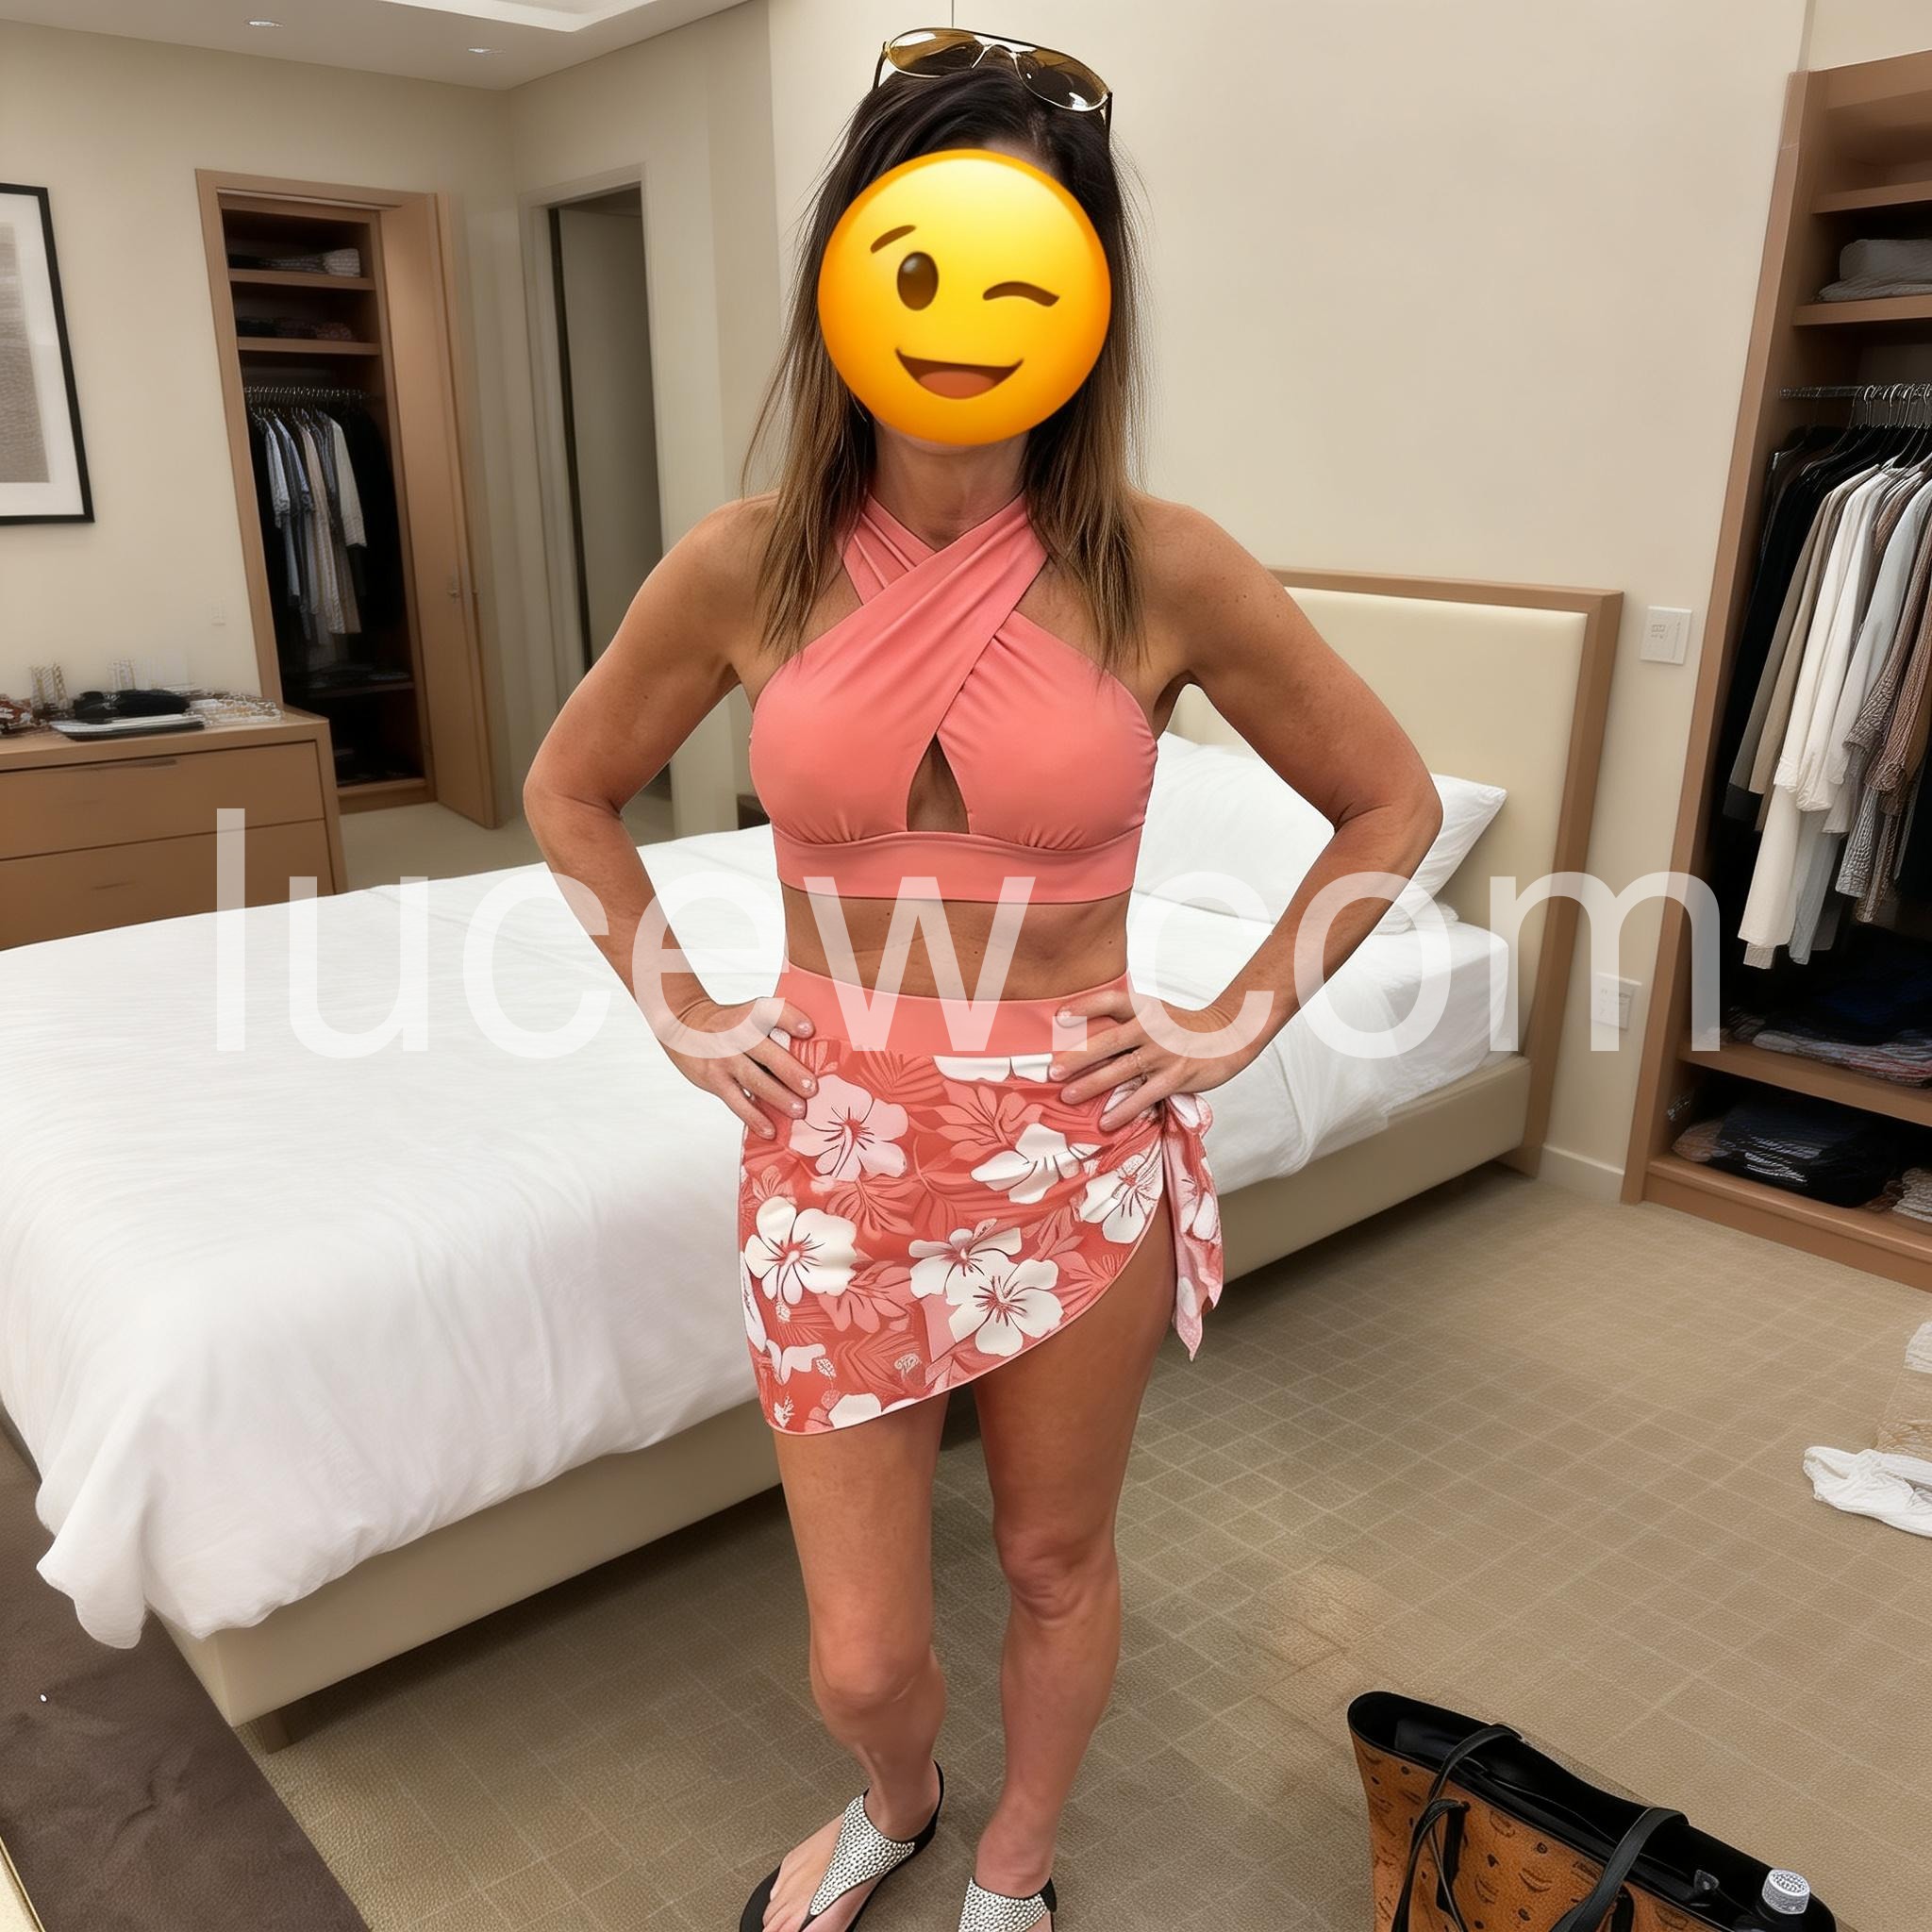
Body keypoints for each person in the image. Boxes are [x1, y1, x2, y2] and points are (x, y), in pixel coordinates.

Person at [523, 30, 1441, 1932]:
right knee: (860, 1652)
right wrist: (682, 1009)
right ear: (852, 272)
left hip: (1068, 1148)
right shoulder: (747, 566)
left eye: (1019, 264)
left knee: (1047, 1560)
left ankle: (1013, 1862)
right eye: (921, 257)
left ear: (1085, 298)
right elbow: (570, 787)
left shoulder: (1164, 568)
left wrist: (1235, 1015)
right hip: (831, 1150)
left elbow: (1388, 803)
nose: (962, 315)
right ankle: (899, 1795)